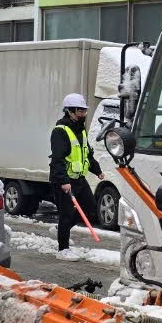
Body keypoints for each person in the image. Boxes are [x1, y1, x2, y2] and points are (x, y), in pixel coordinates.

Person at [49, 93, 105, 254]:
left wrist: (97, 170)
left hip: (79, 179)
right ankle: (63, 249)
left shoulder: (81, 130)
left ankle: (61, 228)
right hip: (63, 181)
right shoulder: (60, 131)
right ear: (69, 111)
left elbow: (86, 153)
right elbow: (57, 159)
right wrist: (63, 181)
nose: (83, 114)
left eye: (84, 111)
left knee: (90, 208)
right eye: (80, 111)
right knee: (66, 213)